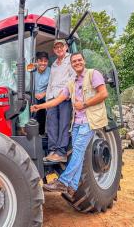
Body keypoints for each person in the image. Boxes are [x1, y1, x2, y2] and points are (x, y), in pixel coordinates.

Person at [31, 52, 108, 196]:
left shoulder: (93, 74)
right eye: (74, 61)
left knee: (78, 150)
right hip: (77, 123)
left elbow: (103, 94)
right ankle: (72, 186)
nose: (77, 63)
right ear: (71, 65)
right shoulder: (71, 83)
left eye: (79, 60)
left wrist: (84, 104)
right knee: (77, 153)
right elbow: (57, 100)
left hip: (89, 121)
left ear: (84, 61)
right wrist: (39, 107)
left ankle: (63, 182)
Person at [44, 39, 75, 162]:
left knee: (63, 124)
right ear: (54, 50)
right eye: (56, 47)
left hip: (64, 97)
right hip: (52, 97)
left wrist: (66, 92)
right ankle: (52, 151)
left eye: (61, 46)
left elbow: (73, 77)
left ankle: (61, 152)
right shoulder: (54, 65)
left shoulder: (71, 60)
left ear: (66, 47)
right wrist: (47, 99)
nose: (59, 49)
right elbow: (50, 83)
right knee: (52, 125)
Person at [33, 51, 51, 135]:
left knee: (41, 115)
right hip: (32, 96)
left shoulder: (50, 71)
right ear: (37, 61)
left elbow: (53, 86)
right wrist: (34, 94)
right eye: (41, 61)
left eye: (45, 61)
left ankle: (40, 134)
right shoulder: (31, 69)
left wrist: (44, 94)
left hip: (44, 98)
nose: (43, 63)